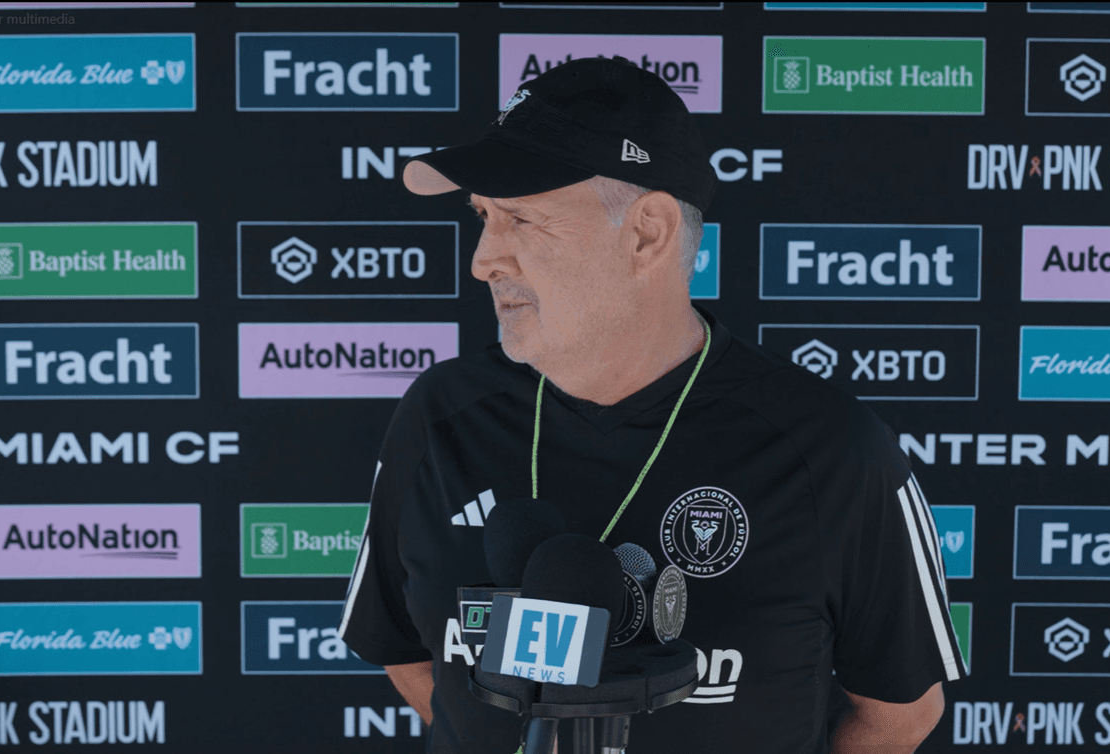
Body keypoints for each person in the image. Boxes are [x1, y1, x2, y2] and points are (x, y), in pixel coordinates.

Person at [338, 55, 965, 754]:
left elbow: (897, 717)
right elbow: (409, 658)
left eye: (520, 218)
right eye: (483, 216)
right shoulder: (438, 416)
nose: (484, 259)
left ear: (646, 233)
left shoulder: (830, 449)